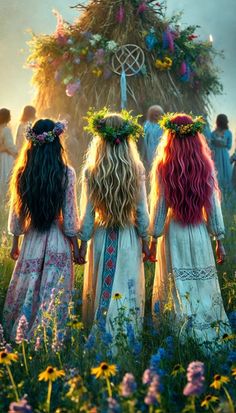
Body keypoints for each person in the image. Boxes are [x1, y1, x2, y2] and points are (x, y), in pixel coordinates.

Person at [149, 113, 231, 345]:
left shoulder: (163, 166)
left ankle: (181, 334)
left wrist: (153, 239)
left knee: (178, 285)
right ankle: (208, 328)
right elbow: (213, 207)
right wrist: (219, 240)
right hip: (199, 232)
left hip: (174, 232)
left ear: (170, 138)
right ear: (196, 138)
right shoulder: (205, 165)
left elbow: (160, 206)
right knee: (201, 285)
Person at [3, 119, 80, 339]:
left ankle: (20, 334)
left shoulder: (23, 173)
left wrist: (15, 244)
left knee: (29, 288)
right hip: (58, 240)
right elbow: (70, 215)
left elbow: (17, 215)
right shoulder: (67, 173)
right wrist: (76, 247)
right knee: (52, 293)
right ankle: (48, 337)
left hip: (32, 240)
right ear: (57, 142)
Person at [78, 110, 150, 338]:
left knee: (103, 290)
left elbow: (88, 214)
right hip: (128, 237)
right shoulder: (135, 169)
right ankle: (125, 339)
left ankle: (100, 337)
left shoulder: (92, 170)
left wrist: (82, 243)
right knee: (126, 290)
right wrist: (146, 240)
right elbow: (141, 211)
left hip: (101, 236)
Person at [211, 114, 232, 193]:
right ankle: (217, 190)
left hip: (224, 155)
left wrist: (223, 144)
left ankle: (226, 191)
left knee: (225, 171)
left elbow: (229, 146)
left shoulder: (228, 133)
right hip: (216, 155)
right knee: (217, 170)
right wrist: (215, 143)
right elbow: (211, 145)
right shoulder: (213, 133)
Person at [0, 108, 18, 197]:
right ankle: (5, 197)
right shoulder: (6, 129)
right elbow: (9, 145)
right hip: (5, 156)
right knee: (6, 176)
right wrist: (17, 153)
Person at [142, 105, 164, 173]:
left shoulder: (163, 125)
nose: (156, 114)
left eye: (158, 112)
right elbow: (144, 140)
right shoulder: (146, 124)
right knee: (151, 167)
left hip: (160, 149)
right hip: (149, 149)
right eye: (154, 112)